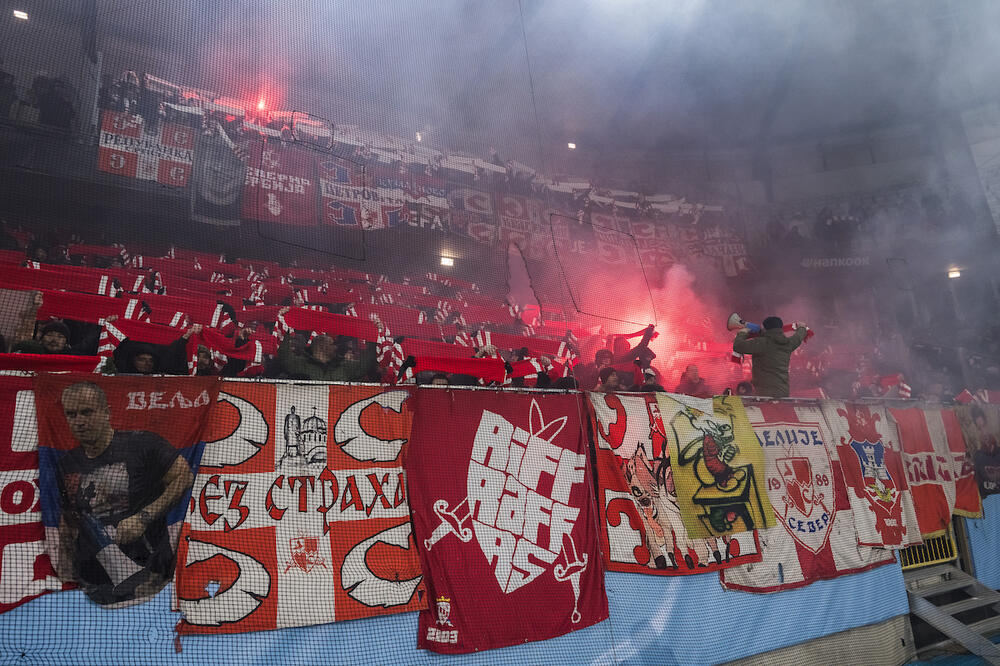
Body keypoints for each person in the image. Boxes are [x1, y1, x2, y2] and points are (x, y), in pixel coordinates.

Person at [54, 382, 194, 606]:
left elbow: (184, 477)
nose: (79, 421)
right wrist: (66, 573)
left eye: (87, 412)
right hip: (95, 585)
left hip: (152, 577)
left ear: (106, 412)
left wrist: (144, 517)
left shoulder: (143, 444)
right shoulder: (66, 463)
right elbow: (69, 520)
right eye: (71, 414)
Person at [732, 316, 808, 398]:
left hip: (764, 393)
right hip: (783, 392)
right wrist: (802, 328)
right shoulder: (788, 343)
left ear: (765, 328)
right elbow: (798, 337)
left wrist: (743, 332)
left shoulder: (761, 343)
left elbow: (738, 346)